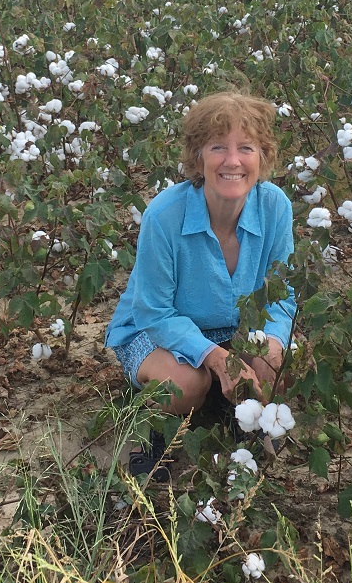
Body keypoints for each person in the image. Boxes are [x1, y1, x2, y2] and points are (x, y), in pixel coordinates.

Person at [105, 90, 295, 474]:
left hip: (236, 329)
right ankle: (155, 430)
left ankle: (234, 413)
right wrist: (213, 355)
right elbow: (154, 311)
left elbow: (281, 296)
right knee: (185, 384)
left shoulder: (275, 207)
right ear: (197, 156)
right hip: (154, 330)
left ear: (264, 156)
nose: (233, 161)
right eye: (217, 147)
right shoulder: (164, 215)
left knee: (278, 365)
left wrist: (270, 346)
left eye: (246, 147)